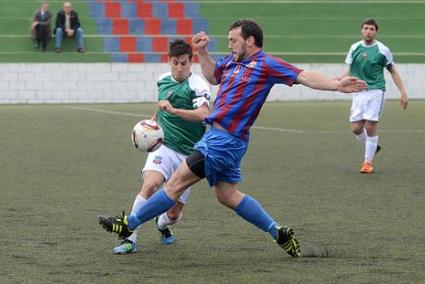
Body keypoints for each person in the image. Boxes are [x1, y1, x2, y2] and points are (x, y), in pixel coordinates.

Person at [98, 19, 367, 257]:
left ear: (250, 41)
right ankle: (278, 232)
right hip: (224, 140)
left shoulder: (267, 64)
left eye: (233, 40)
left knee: (175, 183)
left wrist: (335, 84)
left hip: (223, 141)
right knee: (227, 195)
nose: (229, 45)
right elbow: (213, 76)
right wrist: (202, 51)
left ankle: (129, 224)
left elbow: (304, 76)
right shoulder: (232, 63)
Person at [110, 39, 211, 254]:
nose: (180, 68)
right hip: (164, 148)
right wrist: (152, 125)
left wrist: (174, 111)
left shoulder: (198, 85)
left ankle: (161, 224)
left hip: (189, 155)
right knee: (150, 186)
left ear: (190, 62)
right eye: (175, 63)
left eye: (184, 63)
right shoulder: (162, 80)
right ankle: (129, 238)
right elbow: (161, 106)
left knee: (173, 215)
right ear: (169, 61)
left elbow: (204, 114)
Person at [339, 19, 408, 174]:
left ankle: (367, 163)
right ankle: (373, 147)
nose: (368, 31)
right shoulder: (354, 47)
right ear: (361, 30)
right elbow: (348, 69)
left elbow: (393, 71)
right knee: (356, 129)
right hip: (357, 91)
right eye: (366, 28)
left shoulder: (383, 50)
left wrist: (403, 92)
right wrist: (338, 80)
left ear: (376, 32)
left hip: (376, 91)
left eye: (372, 29)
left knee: (370, 127)